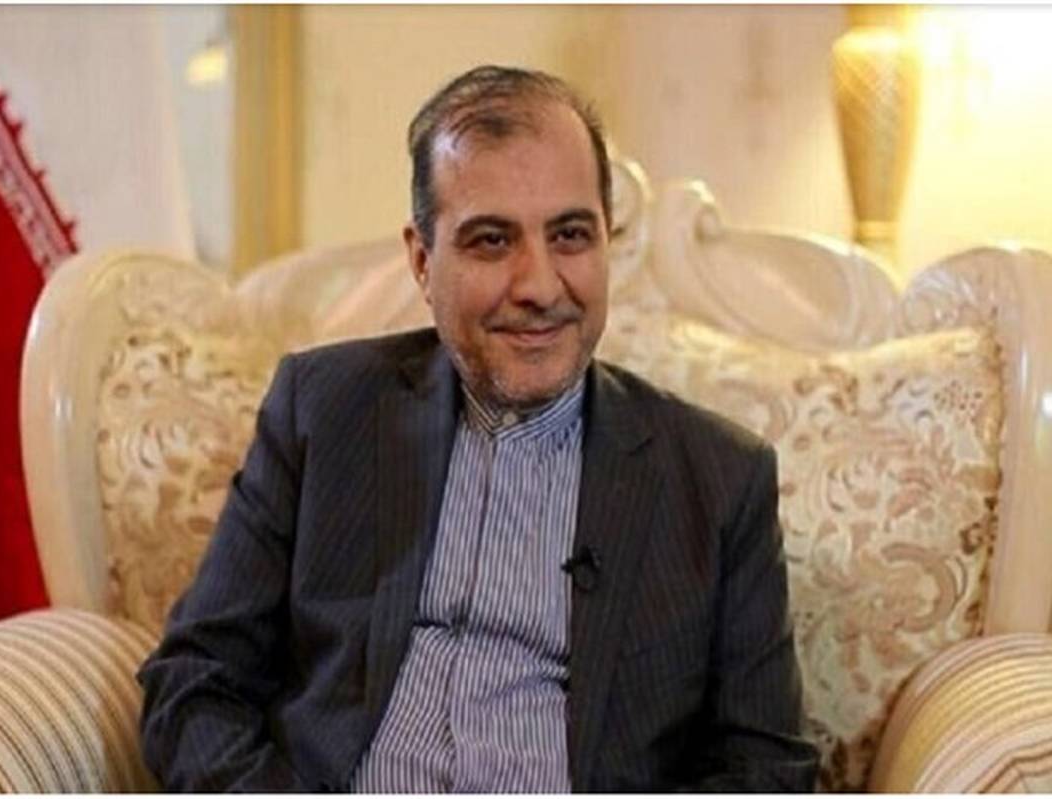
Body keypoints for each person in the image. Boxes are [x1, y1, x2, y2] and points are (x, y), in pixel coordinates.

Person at [138, 64, 818, 792]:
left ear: (607, 243)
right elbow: (194, 681)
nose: (539, 286)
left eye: (570, 235)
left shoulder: (718, 480)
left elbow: (765, 771)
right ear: (422, 260)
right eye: (492, 241)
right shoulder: (324, 409)